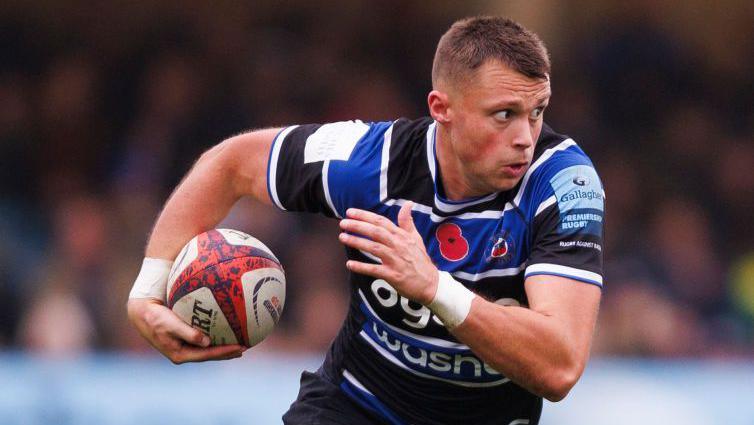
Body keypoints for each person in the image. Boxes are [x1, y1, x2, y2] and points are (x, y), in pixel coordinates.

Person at [127, 16, 604, 425]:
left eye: (537, 112)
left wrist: (435, 288)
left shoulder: (563, 182)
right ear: (442, 109)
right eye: (504, 114)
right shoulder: (371, 162)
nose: (525, 136)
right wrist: (148, 289)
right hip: (357, 404)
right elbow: (230, 164)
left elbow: (558, 366)